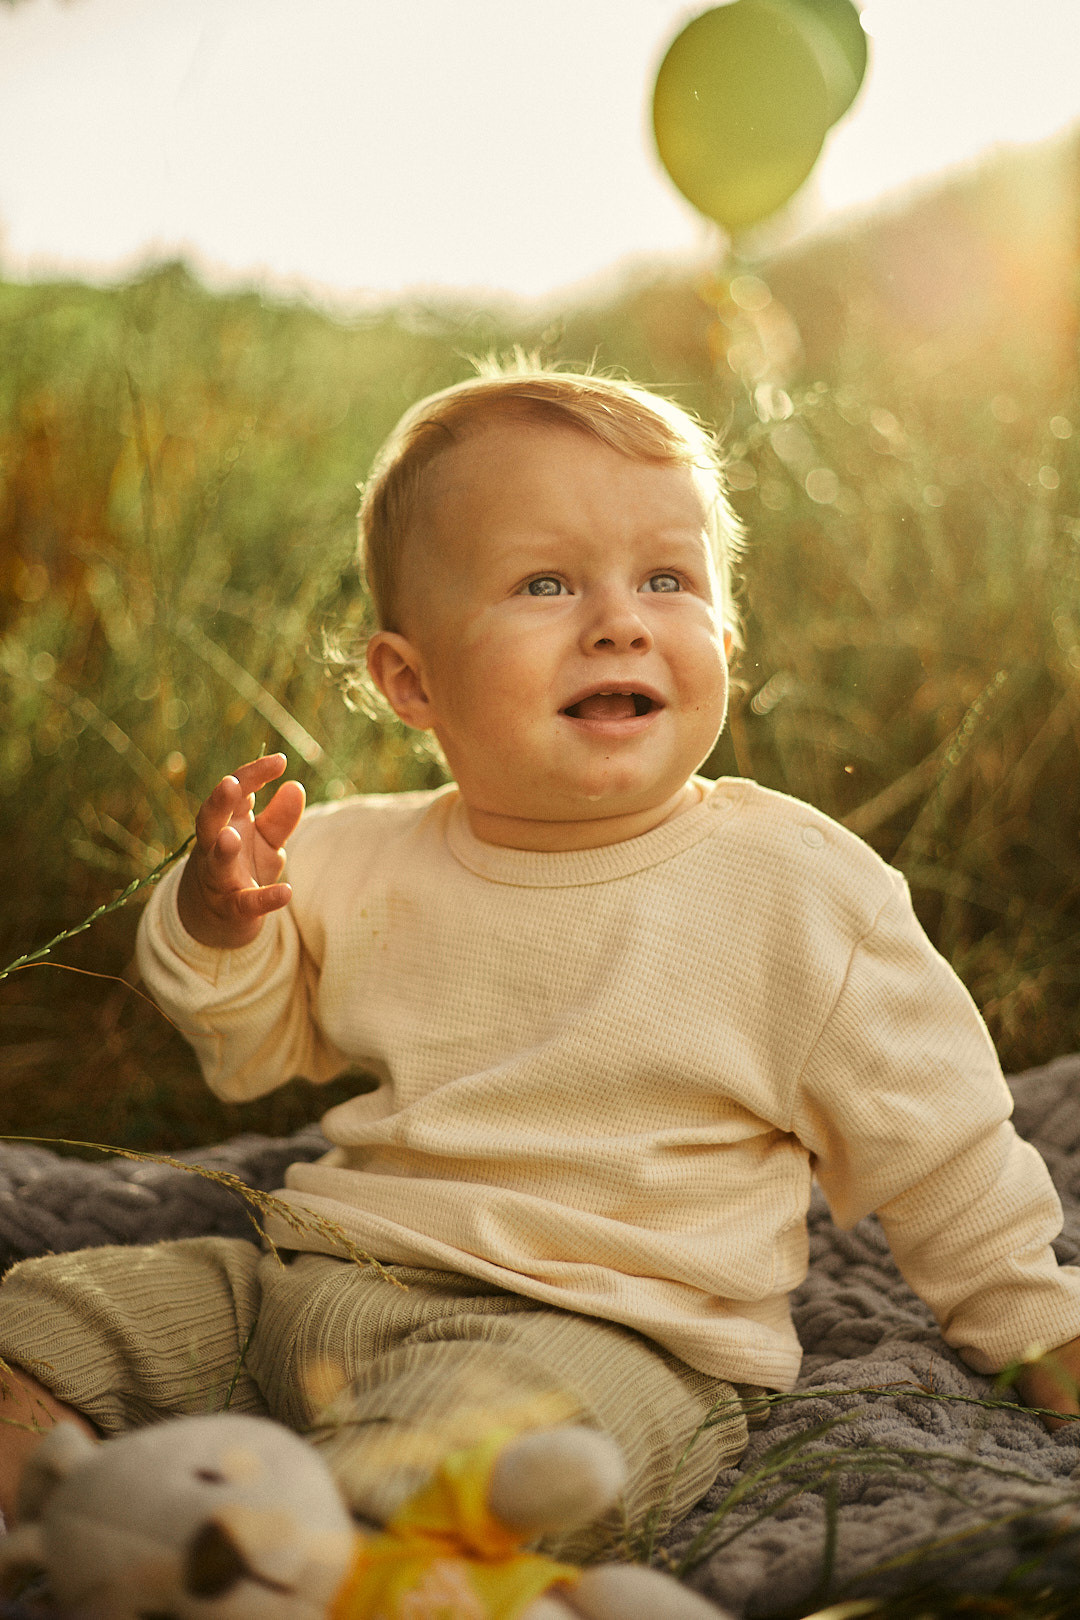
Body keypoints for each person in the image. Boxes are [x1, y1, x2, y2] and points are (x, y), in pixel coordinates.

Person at [0, 364, 1078, 1565]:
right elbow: (249, 1056)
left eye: (666, 579)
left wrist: (1033, 1325)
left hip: (602, 1335)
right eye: (546, 582)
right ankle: (64, 1521)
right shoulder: (358, 854)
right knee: (52, 1314)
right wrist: (221, 923)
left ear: (722, 635)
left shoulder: (794, 884)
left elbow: (941, 1134)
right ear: (412, 680)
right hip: (307, 1280)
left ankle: (303, 1570)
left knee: (469, 1462)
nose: (618, 620)